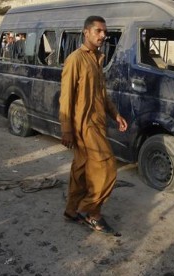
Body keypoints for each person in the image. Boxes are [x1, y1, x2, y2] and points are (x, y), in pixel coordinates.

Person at [59, 15, 128, 235]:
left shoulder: (98, 59)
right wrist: (67, 130)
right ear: (86, 32)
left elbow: (102, 95)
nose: (103, 35)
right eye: (98, 31)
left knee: (81, 170)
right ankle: (90, 212)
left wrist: (115, 114)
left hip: (97, 123)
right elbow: (66, 98)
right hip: (84, 126)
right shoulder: (75, 59)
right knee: (107, 168)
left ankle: (72, 211)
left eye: (104, 32)